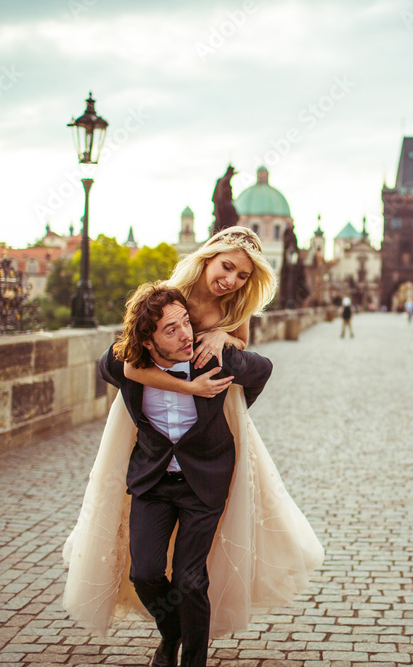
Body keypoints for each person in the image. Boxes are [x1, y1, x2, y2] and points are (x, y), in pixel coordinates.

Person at [62, 227, 324, 665]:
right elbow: (124, 361)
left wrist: (224, 339)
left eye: (242, 275)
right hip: (154, 461)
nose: (231, 280)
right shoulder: (170, 296)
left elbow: (247, 354)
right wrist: (187, 387)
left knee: (190, 578)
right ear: (207, 258)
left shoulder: (234, 307)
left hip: (203, 462)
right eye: (227, 267)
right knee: (146, 571)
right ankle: (173, 634)